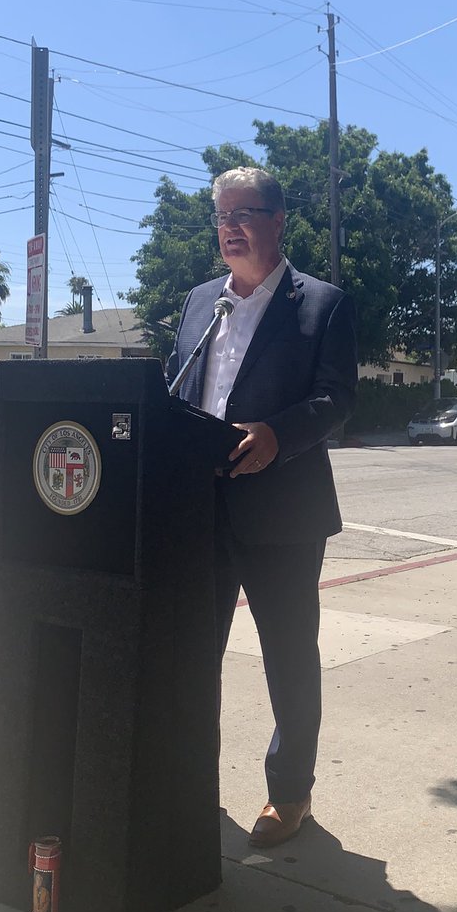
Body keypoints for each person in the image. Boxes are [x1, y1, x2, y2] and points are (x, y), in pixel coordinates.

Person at [166, 166, 358, 848]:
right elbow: (177, 391)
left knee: (287, 655)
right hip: (199, 508)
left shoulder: (321, 304)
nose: (230, 226)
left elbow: (337, 399)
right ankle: (188, 783)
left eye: (245, 212)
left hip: (283, 509)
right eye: (222, 215)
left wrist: (278, 435)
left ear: (279, 221)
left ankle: (290, 793)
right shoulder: (198, 303)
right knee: (190, 652)